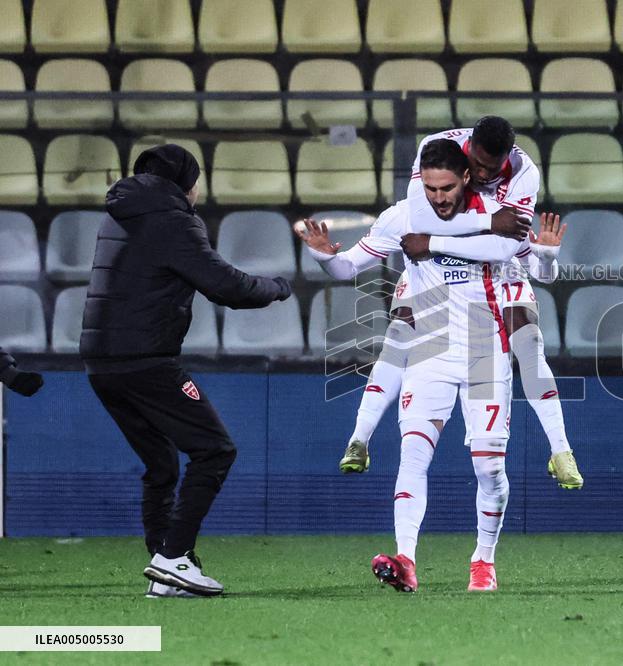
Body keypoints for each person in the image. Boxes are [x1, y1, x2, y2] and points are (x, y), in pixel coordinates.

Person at [300, 139, 554, 592]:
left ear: (467, 180)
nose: (438, 197)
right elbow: (345, 270)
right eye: (431, 188)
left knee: (488, 468)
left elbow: (529, 268)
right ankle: (405, 560)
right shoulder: (401, 216)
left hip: (484, 347)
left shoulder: (498, 214)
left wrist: (546, 256)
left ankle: (484, 559)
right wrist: (324, 257)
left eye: (447, 188)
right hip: (430, 349)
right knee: (412, 456)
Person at [80, 144, 292, 598]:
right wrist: (276, 287)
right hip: (147, 361)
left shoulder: (119, 213)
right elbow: (225, 286)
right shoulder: (172, 219)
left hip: (101, 362)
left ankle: (166, 565)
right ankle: (174, 558)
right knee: (215, 451)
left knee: (160, 464)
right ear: (185, 184)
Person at [338, 116, 584, 490]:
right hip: (436, 281)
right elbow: (418, 220)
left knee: (528, 341)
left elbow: (512, 252)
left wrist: (544, 254)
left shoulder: (518, 181)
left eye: (493, 168)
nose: (485, 174)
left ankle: (561, 449)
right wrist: (484, 224)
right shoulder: (440, 170)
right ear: (465, 158)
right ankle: (359, 438)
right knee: (398, 339)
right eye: (479, 166)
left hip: (499, 276)